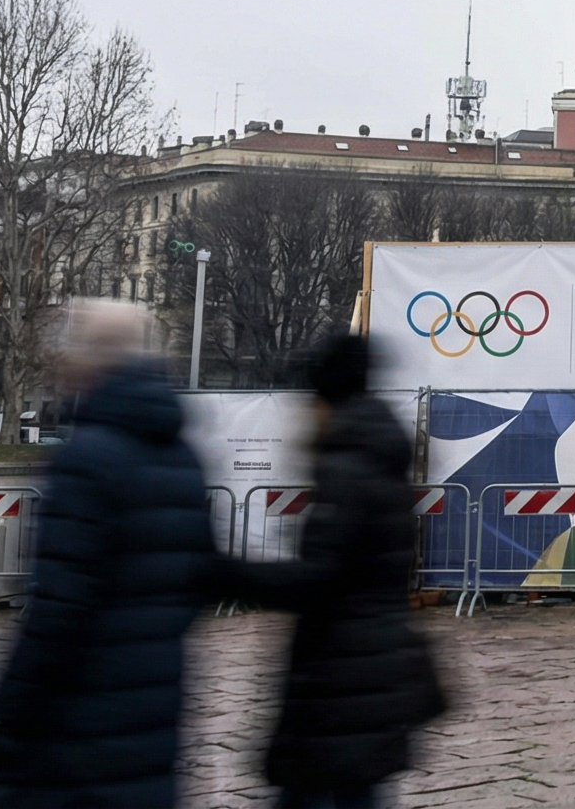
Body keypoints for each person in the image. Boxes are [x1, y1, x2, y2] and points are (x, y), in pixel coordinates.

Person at [0, 300, 220, 809]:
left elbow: (57, 611)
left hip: (77, 731)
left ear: (90, 362)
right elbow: (198, 580)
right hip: (153, 716)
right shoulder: (182, 455)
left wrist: (10, 715)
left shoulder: (87, 458)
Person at [232, 333, 448, 809]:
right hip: (369, 668)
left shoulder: (347, 468)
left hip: (341, 675)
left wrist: (224, 574)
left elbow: (318, 578)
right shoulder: (378, 459)